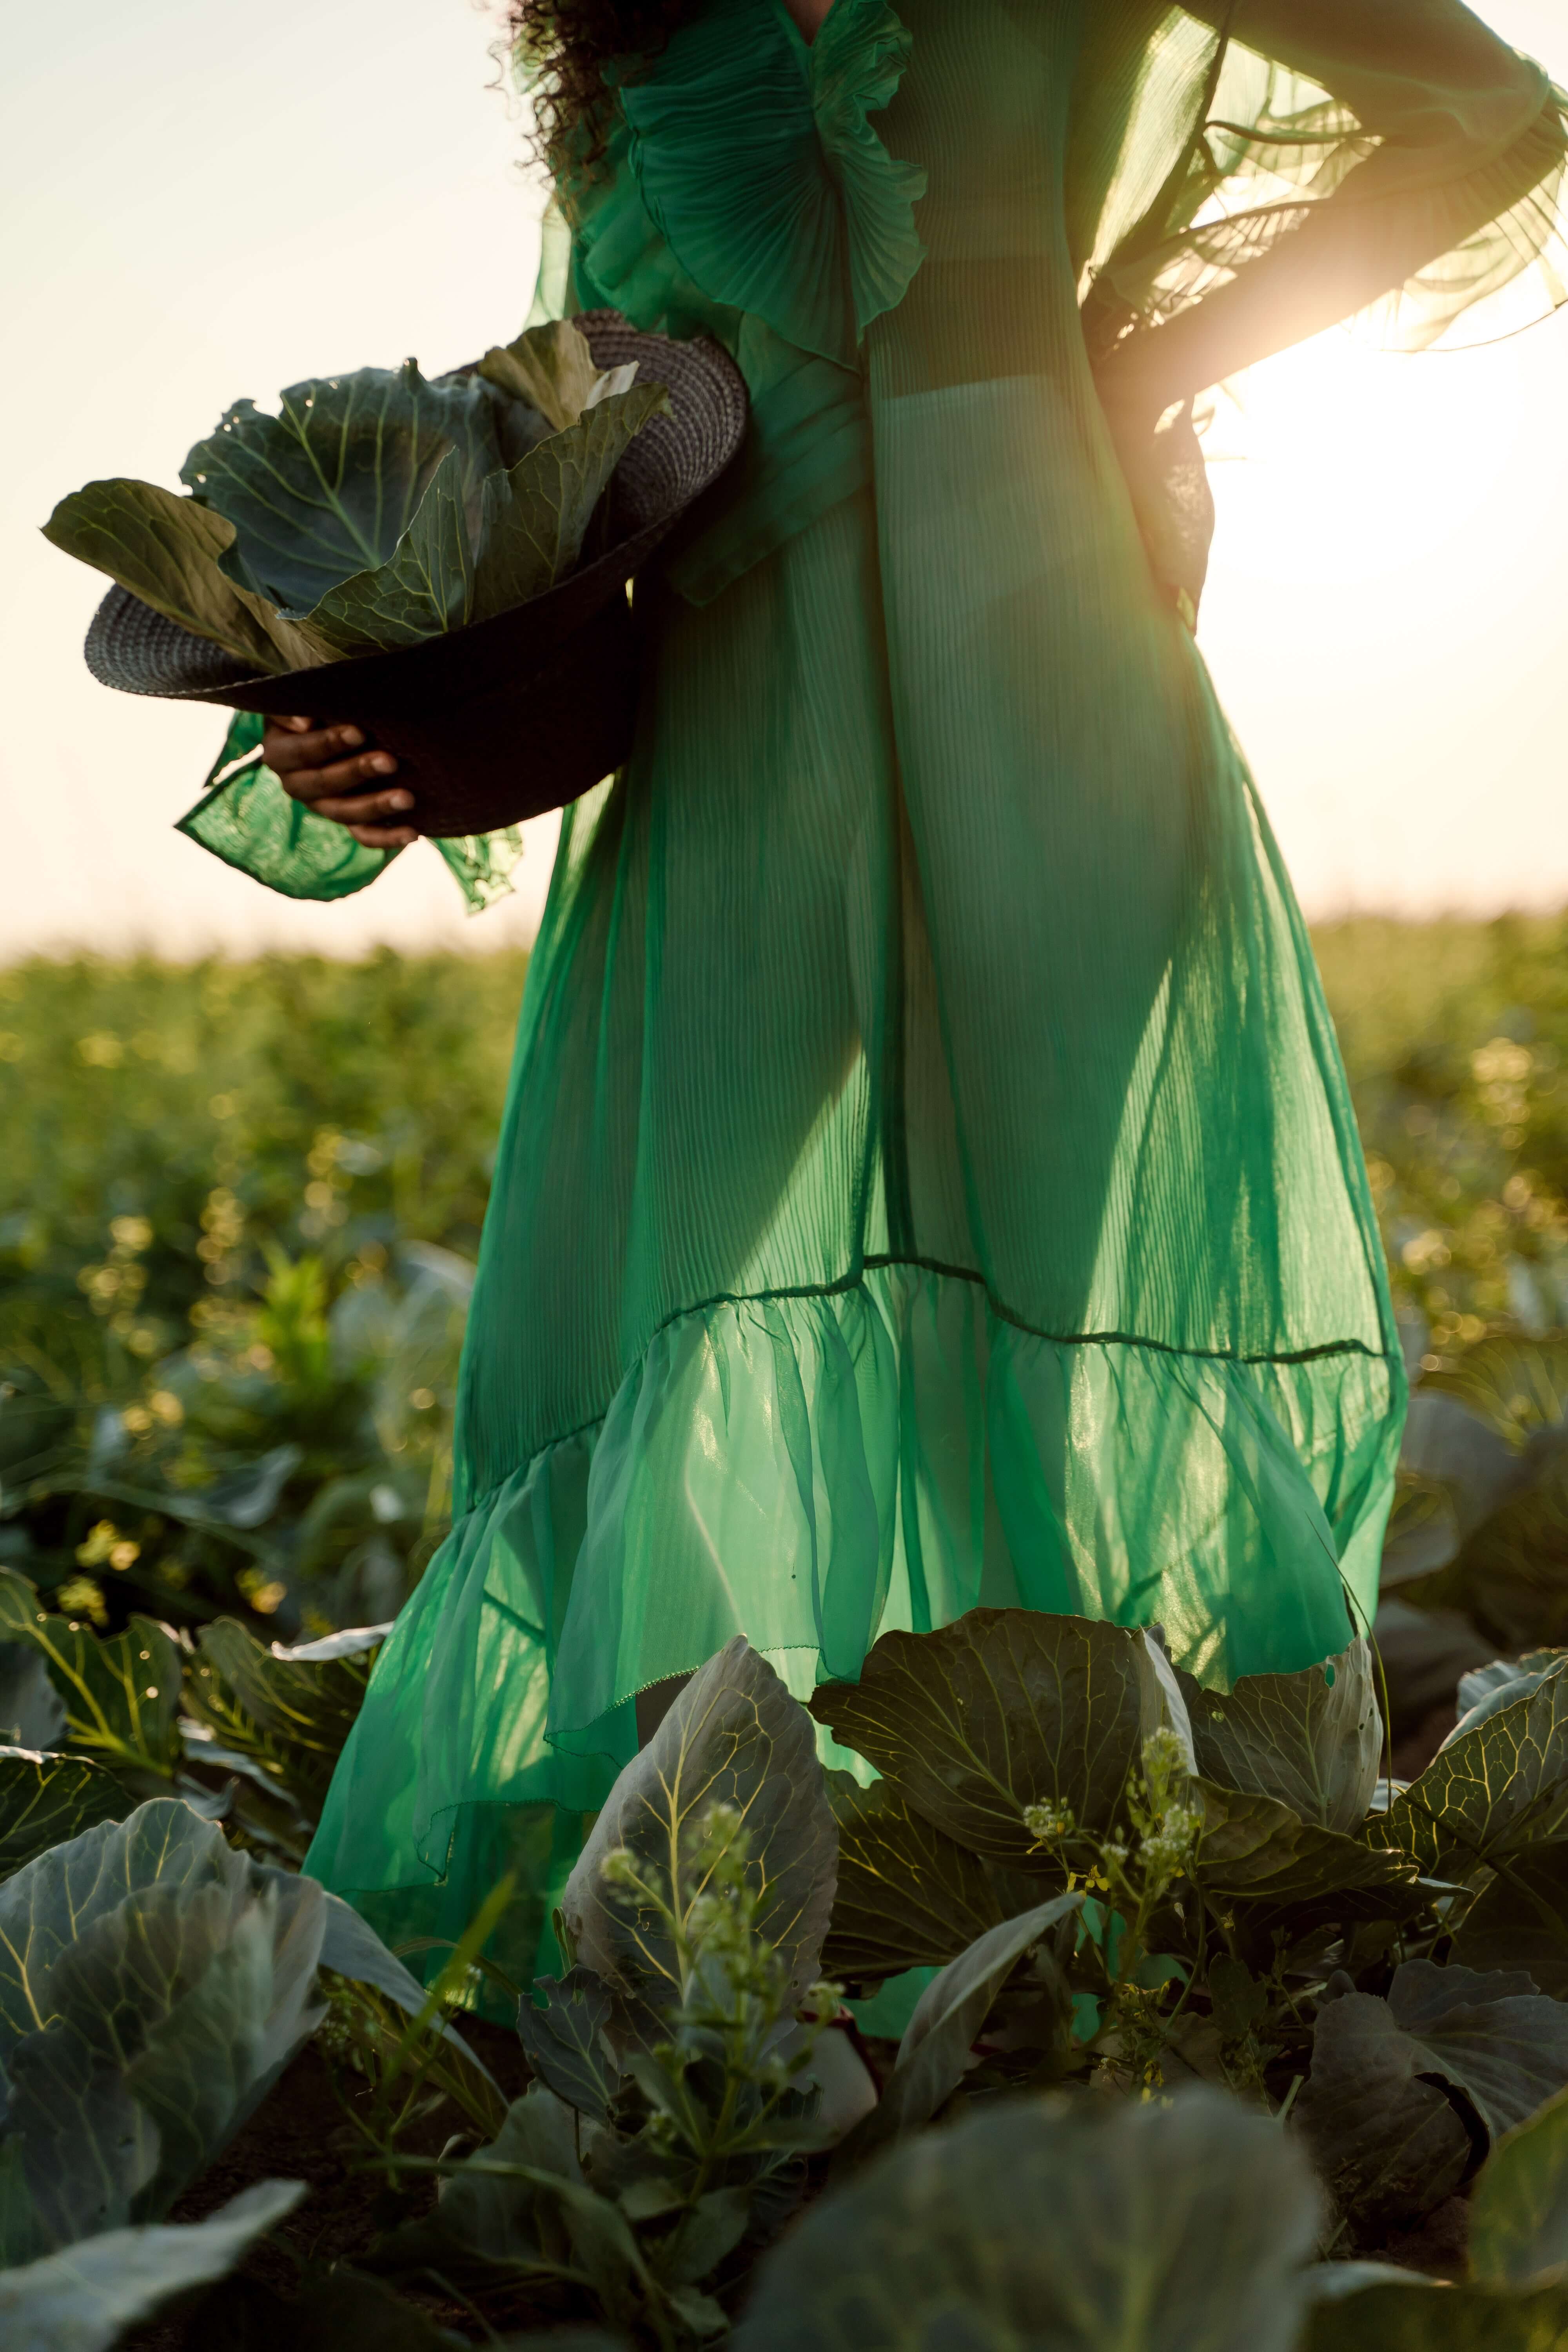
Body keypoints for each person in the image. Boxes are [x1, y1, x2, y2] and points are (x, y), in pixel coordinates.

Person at [278, 0, 1568, 1985]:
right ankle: (711, 1948)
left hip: (1046, 684)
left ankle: (1133, 1930)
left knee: (1061, 1295)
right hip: (731, 738)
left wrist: (1130, 363)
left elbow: (1478, 112)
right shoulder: (623, 32)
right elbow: (573, 462)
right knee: (666, 1306)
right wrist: (387, 714)